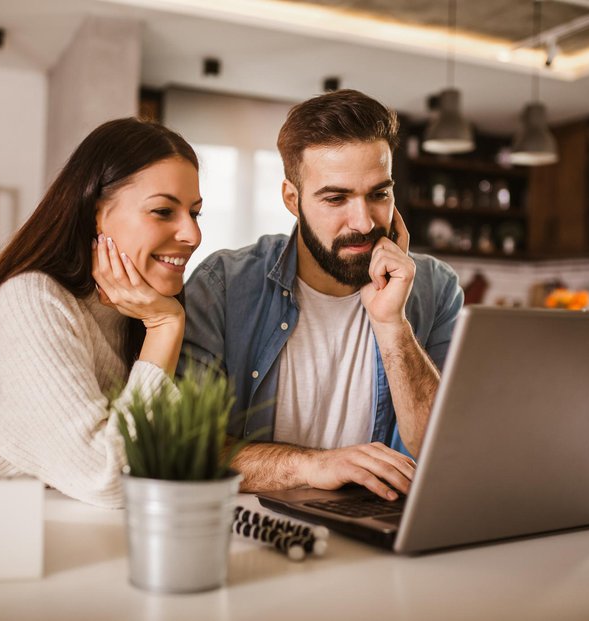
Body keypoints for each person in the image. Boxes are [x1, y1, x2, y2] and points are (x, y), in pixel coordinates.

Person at [0, 118, 203, 509]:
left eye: (195, 214)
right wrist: (164, 329)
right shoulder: (31, 300)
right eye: (164, 211)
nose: (192, 235)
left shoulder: (138, 312)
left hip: (44, 535)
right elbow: (109, 479)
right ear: (96, 214)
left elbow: (171, 462)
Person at [181, 90, 463, 501]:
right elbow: (190, 450)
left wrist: (391, 324)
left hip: (380, 530)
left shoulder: (434, 287)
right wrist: (314, 465)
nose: (364, 221)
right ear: (292, 200)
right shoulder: (223, 286)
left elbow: (446, 452)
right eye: (336, 198)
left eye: (378, 194)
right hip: (257, 530)